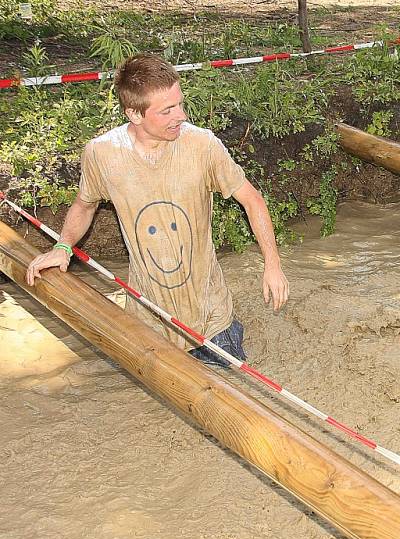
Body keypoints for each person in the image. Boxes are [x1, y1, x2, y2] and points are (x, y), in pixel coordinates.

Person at [25, 53, 288, 367]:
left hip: (211, 320)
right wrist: (63, 247)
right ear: (135, 114)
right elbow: (84, 205)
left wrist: (272, 264)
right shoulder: (102, 154)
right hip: (147, 318)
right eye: (167, 110)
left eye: (180, 103)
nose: (182, 115)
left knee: (234, 394)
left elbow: (252, 199)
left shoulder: (202, 145)